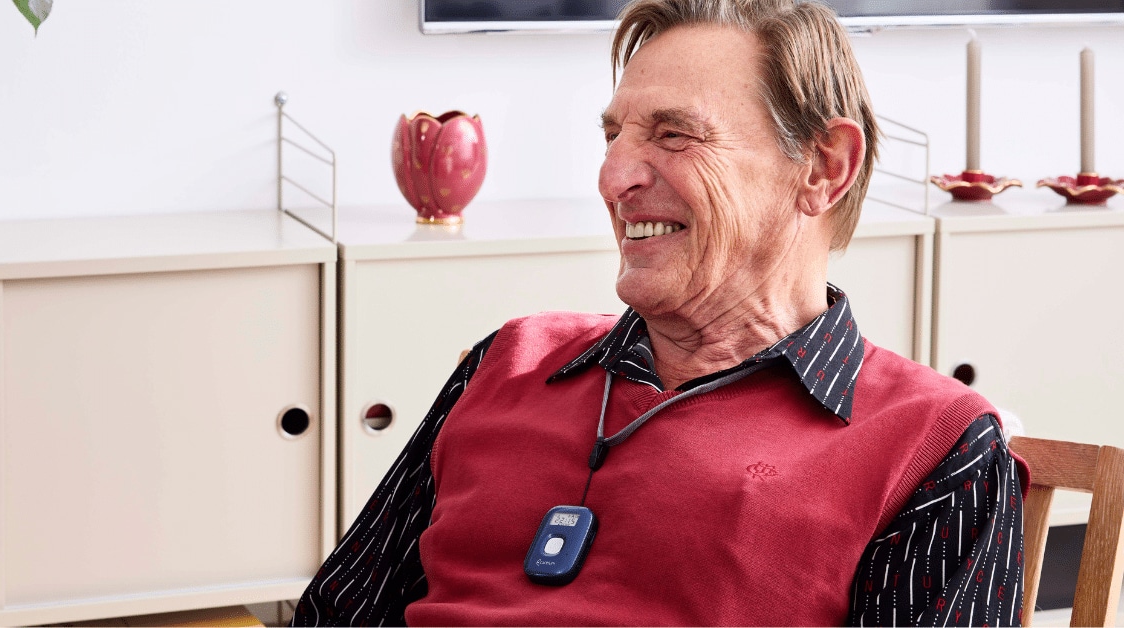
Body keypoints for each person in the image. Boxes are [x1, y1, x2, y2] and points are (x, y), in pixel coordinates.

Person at [293, 0, 1028, 625]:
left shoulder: (936, 447)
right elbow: (336, 613)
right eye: (613, 135)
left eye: (675, 133)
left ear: (823, 167)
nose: (614, 178)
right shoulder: (507, 360)